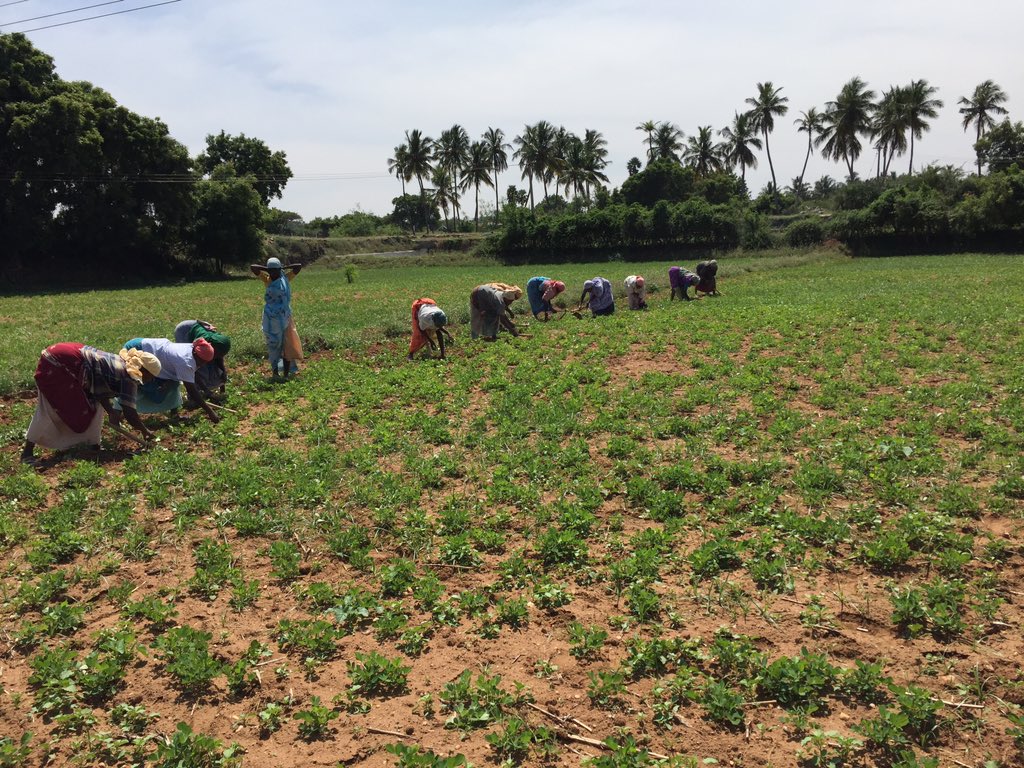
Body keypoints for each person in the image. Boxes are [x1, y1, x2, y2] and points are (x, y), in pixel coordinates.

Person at [21, 344, 160, 464]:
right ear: (143, 371)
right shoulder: (128, 377)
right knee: (52, 408)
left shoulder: (121, 363)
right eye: (151, 377)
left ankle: (92, 445)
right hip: (59, 363)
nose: (150, 381)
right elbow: (130, 413)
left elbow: (99, 391)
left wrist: (111, 412)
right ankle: (27, 452)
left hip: (67, 356)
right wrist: (145, 431)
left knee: (92, 405)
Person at [117, 337, 220, 424]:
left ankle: (174, 414)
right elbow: (192, 390)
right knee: (144, 389)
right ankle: (119, 410)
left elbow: (193, 374)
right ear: (196, 354)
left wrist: (207, 392)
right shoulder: (185, 362)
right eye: (202, 362)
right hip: (138, 351)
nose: (202, 364)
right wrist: (210, 411)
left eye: (205, 362)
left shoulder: (194, 350)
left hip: (149, 350)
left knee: (173, 383)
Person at [250, 257, 303, 378]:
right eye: (271, 271)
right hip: (271, 317)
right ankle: (275, 372)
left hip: (284, 317)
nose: (273, 273)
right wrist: (268, 269)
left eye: (275, 271)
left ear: (280, 270)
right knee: (274, 344)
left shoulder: (286, 278)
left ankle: (285, 374)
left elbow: (298, 266)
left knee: (287, 344)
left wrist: (282, 268)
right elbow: (253, 267)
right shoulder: (267, 279)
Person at [173, 319, 231, 400]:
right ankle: (193, 395)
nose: (217, 356)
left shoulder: (219, 344)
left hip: (196, 329)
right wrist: (206, 391)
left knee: (210, 363)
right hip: (184, 331)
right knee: (199, 366)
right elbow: (192, 368)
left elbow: (219, 360)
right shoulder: (206, 343)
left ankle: (202, 389)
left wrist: (223, 381)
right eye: (216, 354)